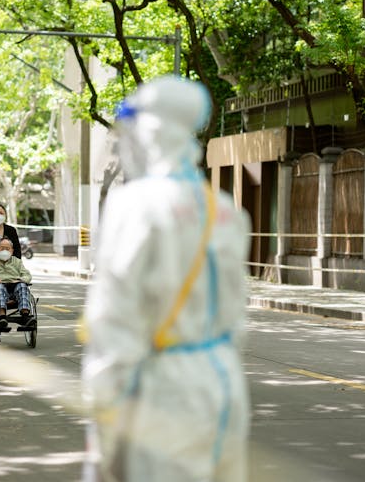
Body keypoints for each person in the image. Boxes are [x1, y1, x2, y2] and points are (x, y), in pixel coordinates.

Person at [81, 76, 251, 481]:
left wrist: (102, 414)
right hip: (225, 386)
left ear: (150, 131)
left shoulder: (134, 206)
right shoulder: (224, 210)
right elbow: (236, 317)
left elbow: (115, 324)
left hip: (164, 393)